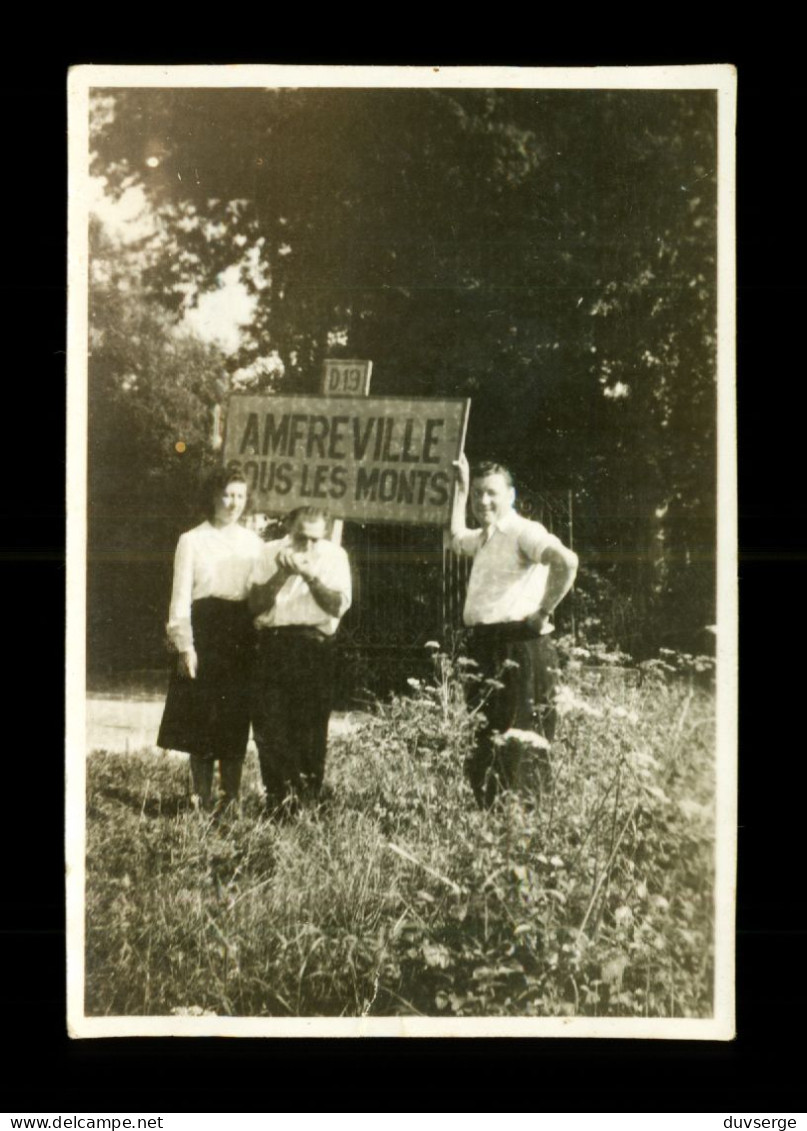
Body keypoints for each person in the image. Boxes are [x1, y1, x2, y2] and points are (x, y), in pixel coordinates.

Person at [450, 454, 579, 807]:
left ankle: (520, 821)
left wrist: (543, 612)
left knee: (518, 734)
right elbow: (456, 536)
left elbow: (567, 562)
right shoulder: (485, 537)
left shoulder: (524, 530)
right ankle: (491, 816)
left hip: (519, 646)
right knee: (488, 731)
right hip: (486, 646)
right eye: (478, 494)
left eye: (491, 493)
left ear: (511, 495)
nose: (483, 501)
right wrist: (461, 489)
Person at [157, 468, 263, 811]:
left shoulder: (254, 543)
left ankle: (231, 800)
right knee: (200, 718)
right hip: (205, 632)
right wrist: (185, 645)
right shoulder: (192, 539)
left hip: (241, 636)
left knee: (234, 719)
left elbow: (259, 596)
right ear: (213, 496)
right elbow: (180, 596)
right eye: (227, 494)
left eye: (240, 496)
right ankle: (201, 798)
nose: (233, 503)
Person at [249, 505, 352, 814]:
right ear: (287, 526)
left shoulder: (335, 557)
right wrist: (282, 574)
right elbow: (254, 605)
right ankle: (278, 804)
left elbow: (336, 606)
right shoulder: (268, 552)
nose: (306, 545)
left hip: (314, 647)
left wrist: (311, 577)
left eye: (314, 539)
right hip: (273, 644)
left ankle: (306, 805)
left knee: (309, 730)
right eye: (300, 537)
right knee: (270, 727)